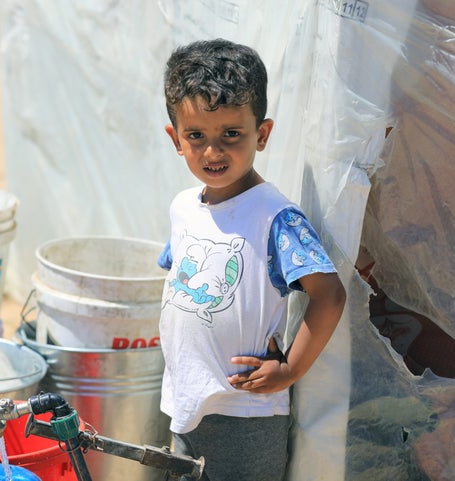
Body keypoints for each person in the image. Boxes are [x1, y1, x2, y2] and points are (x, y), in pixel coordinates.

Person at [157, 38, 347, 481]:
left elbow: (329, 295)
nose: (213, 152)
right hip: (185, 402)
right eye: (196, 136)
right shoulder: (183, 207)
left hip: (244, 410)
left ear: (261, 134)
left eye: (232, 134)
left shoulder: (274, 218)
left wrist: (290, 368)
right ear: (176, 139)